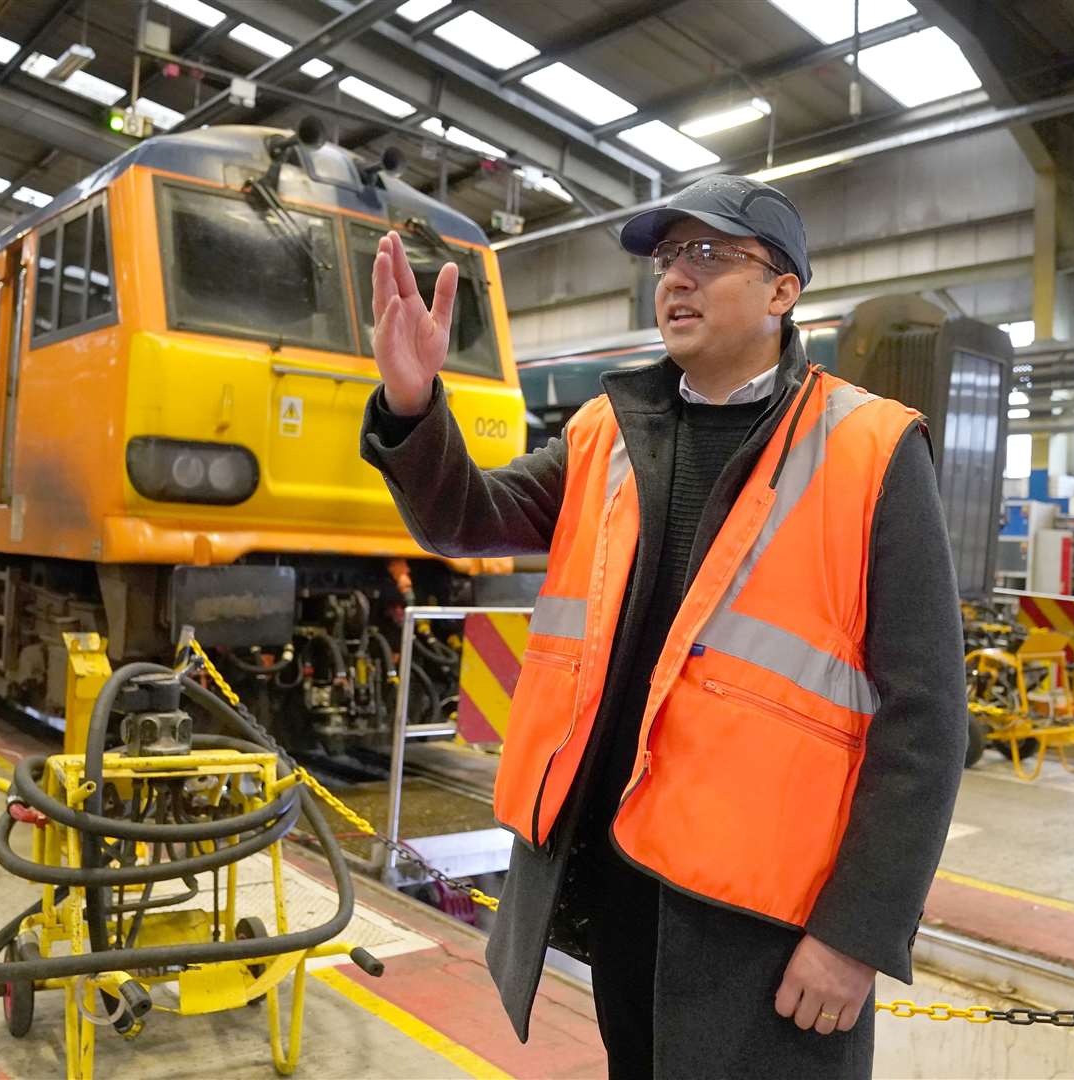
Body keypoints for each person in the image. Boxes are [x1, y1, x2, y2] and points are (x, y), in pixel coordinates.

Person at [360, 175, 967, 1078]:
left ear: (781, 291)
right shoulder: (611, 428)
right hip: (621, 878)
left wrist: (856, 933)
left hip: (763, 914)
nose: (676, 279)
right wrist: (415, 409)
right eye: (667, 257)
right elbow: (468, 518)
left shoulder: (869, 446)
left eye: (710, 255)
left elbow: (927, 717)